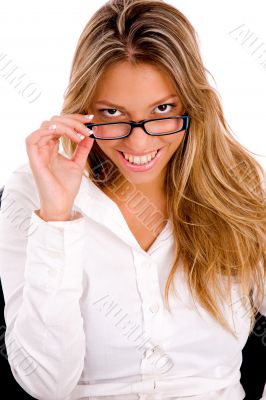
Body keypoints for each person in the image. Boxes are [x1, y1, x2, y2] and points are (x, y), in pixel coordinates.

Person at [0, 0, 265, 399]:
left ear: (192, 104)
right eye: (111, 112)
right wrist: (56, 217)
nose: (139, 142)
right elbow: (45, 384)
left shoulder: (239, 184)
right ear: (83, 109)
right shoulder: (32, 191)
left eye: (162, 109)